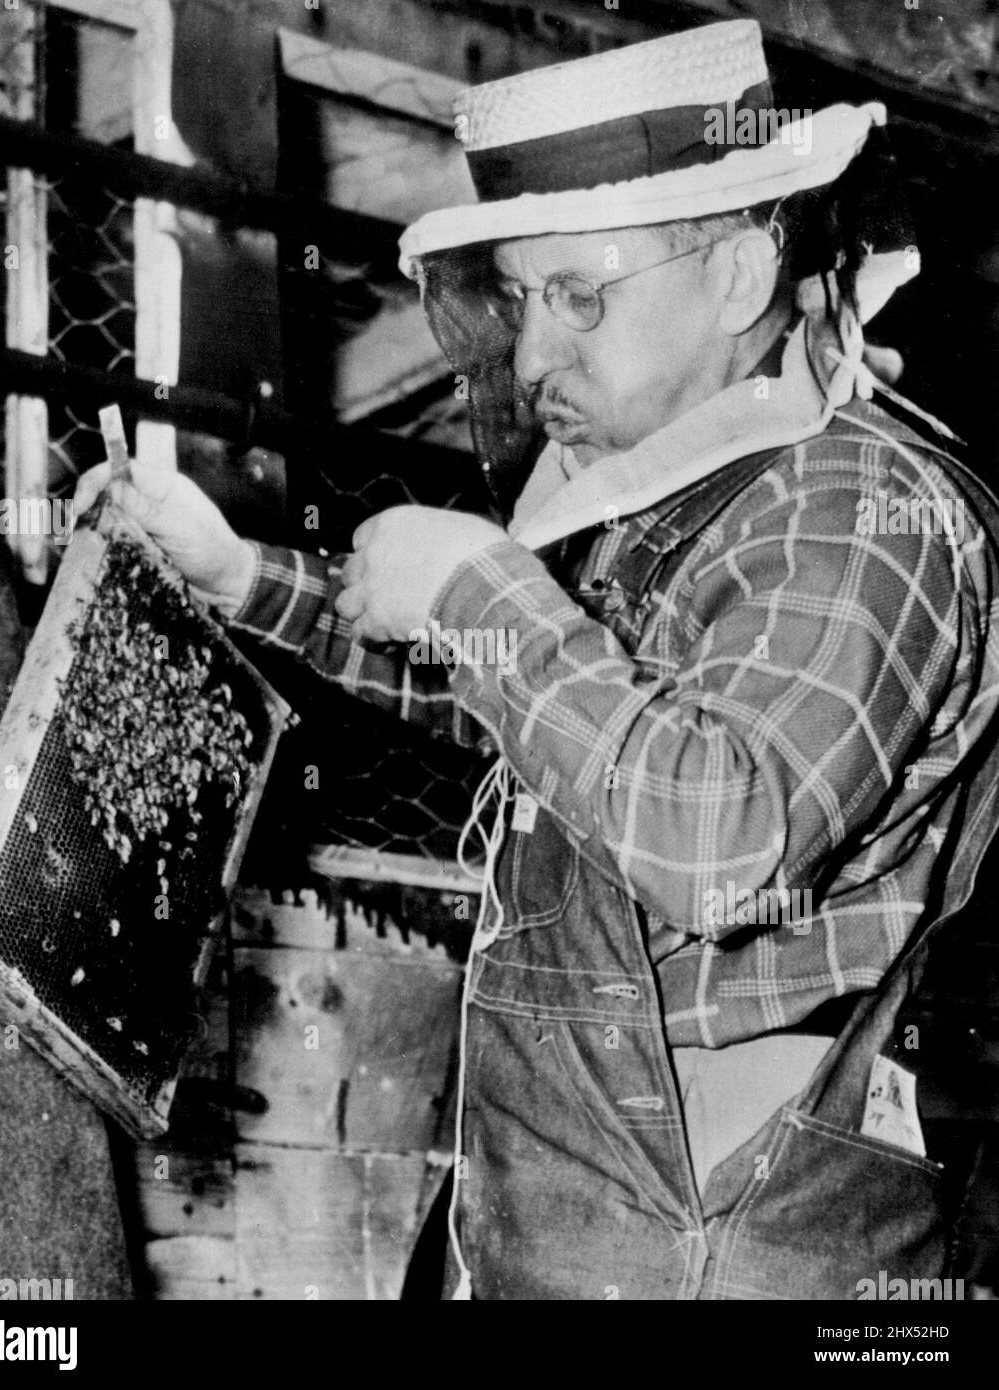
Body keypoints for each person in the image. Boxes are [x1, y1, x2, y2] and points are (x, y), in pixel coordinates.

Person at [75, 19, 999, 1299]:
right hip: (572, 1202)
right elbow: (537, 717)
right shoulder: (683, 509)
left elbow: (715, 840)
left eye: (579, 295)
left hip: (729, 1239)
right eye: (518, 301)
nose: (528, 356)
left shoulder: (854, 507)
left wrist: (481, 586)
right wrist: (241, 574)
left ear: (736, 278)